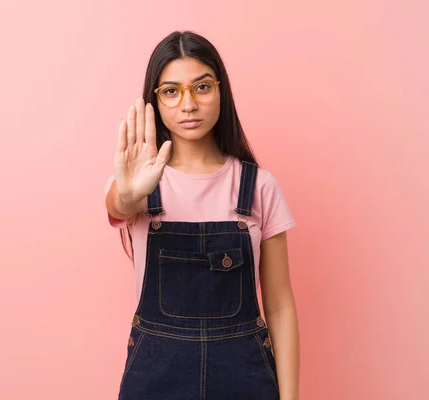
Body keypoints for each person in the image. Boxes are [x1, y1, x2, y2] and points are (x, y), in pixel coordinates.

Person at [104, 30, 300, 399]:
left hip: (245, 378)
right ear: (155, 101)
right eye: (171, 91)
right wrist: (129, 194)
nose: (188, 104)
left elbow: (280, 305)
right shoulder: (138, 181)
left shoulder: (259, 186)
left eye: (202, 87)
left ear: (221, 91)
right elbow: (119, 204)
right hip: (155, 376)